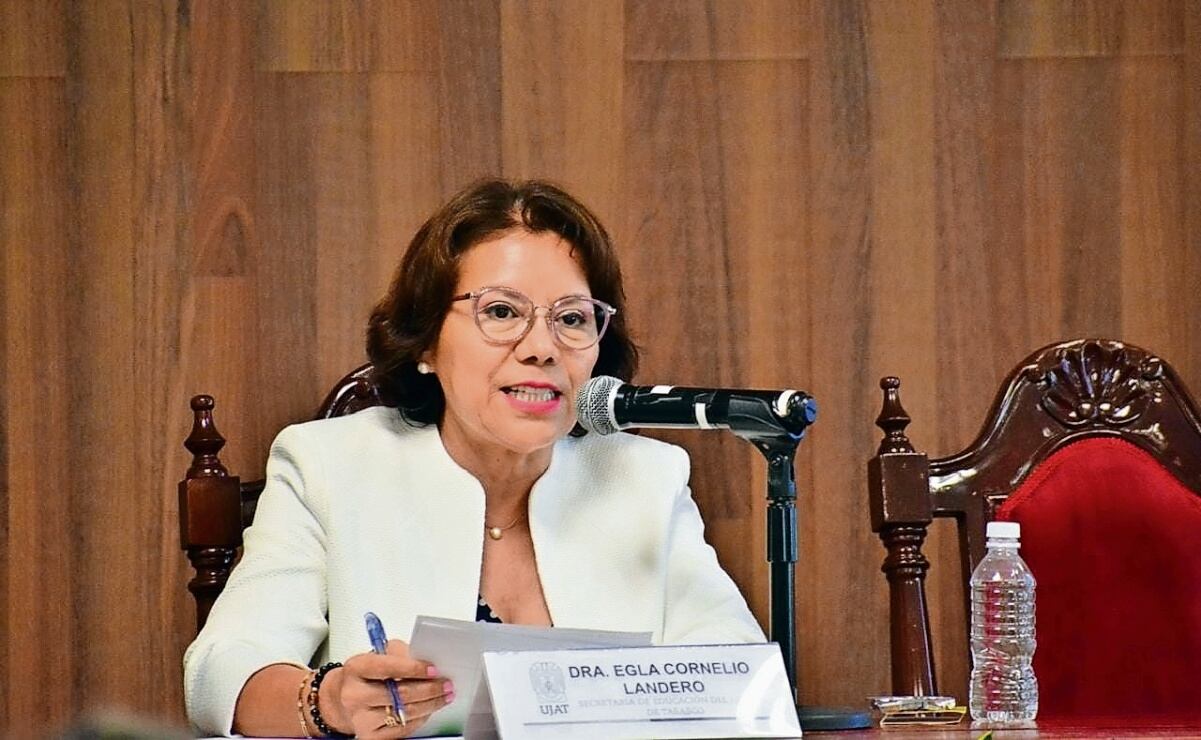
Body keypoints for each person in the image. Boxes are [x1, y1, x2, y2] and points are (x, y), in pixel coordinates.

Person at [183, 179, 764, 738]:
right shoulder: (328, 467)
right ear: (426, 342)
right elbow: (221, 672)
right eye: (502, 312)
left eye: (571, 318)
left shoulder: (645, 477)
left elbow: (740, 679)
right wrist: (331, 701)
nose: (542, 348)